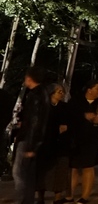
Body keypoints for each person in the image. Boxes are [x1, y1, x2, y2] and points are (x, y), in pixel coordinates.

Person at [12, 66, 49, 204]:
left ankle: (22, 200)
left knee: (19, 172)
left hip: (28, 138)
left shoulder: (35, 96)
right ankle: (27, 200)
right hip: (32, 138)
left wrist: (32, 146)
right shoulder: (42, 93)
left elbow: (36, 122)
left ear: (29, 78)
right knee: (28, 173)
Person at [69, 79, 98, 204]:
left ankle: (85, 197)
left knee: (88, 167)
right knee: (73, 167)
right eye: (97, 88)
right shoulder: (76, 101)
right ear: (89, 90)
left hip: (92, 139)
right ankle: (69, 195)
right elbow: (69, 116)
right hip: (75, 139)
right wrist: (84, 116)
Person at [37, 83, 72, 204]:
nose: (62, 94)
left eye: (62, 91)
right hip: (45, 143)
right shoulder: (42, 107)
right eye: (59, 91)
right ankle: (40, 196)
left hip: (60, 144)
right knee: (43, 170)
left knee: (60, 170)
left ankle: (58, 197)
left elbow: (69, 123)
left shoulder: (65, 107)